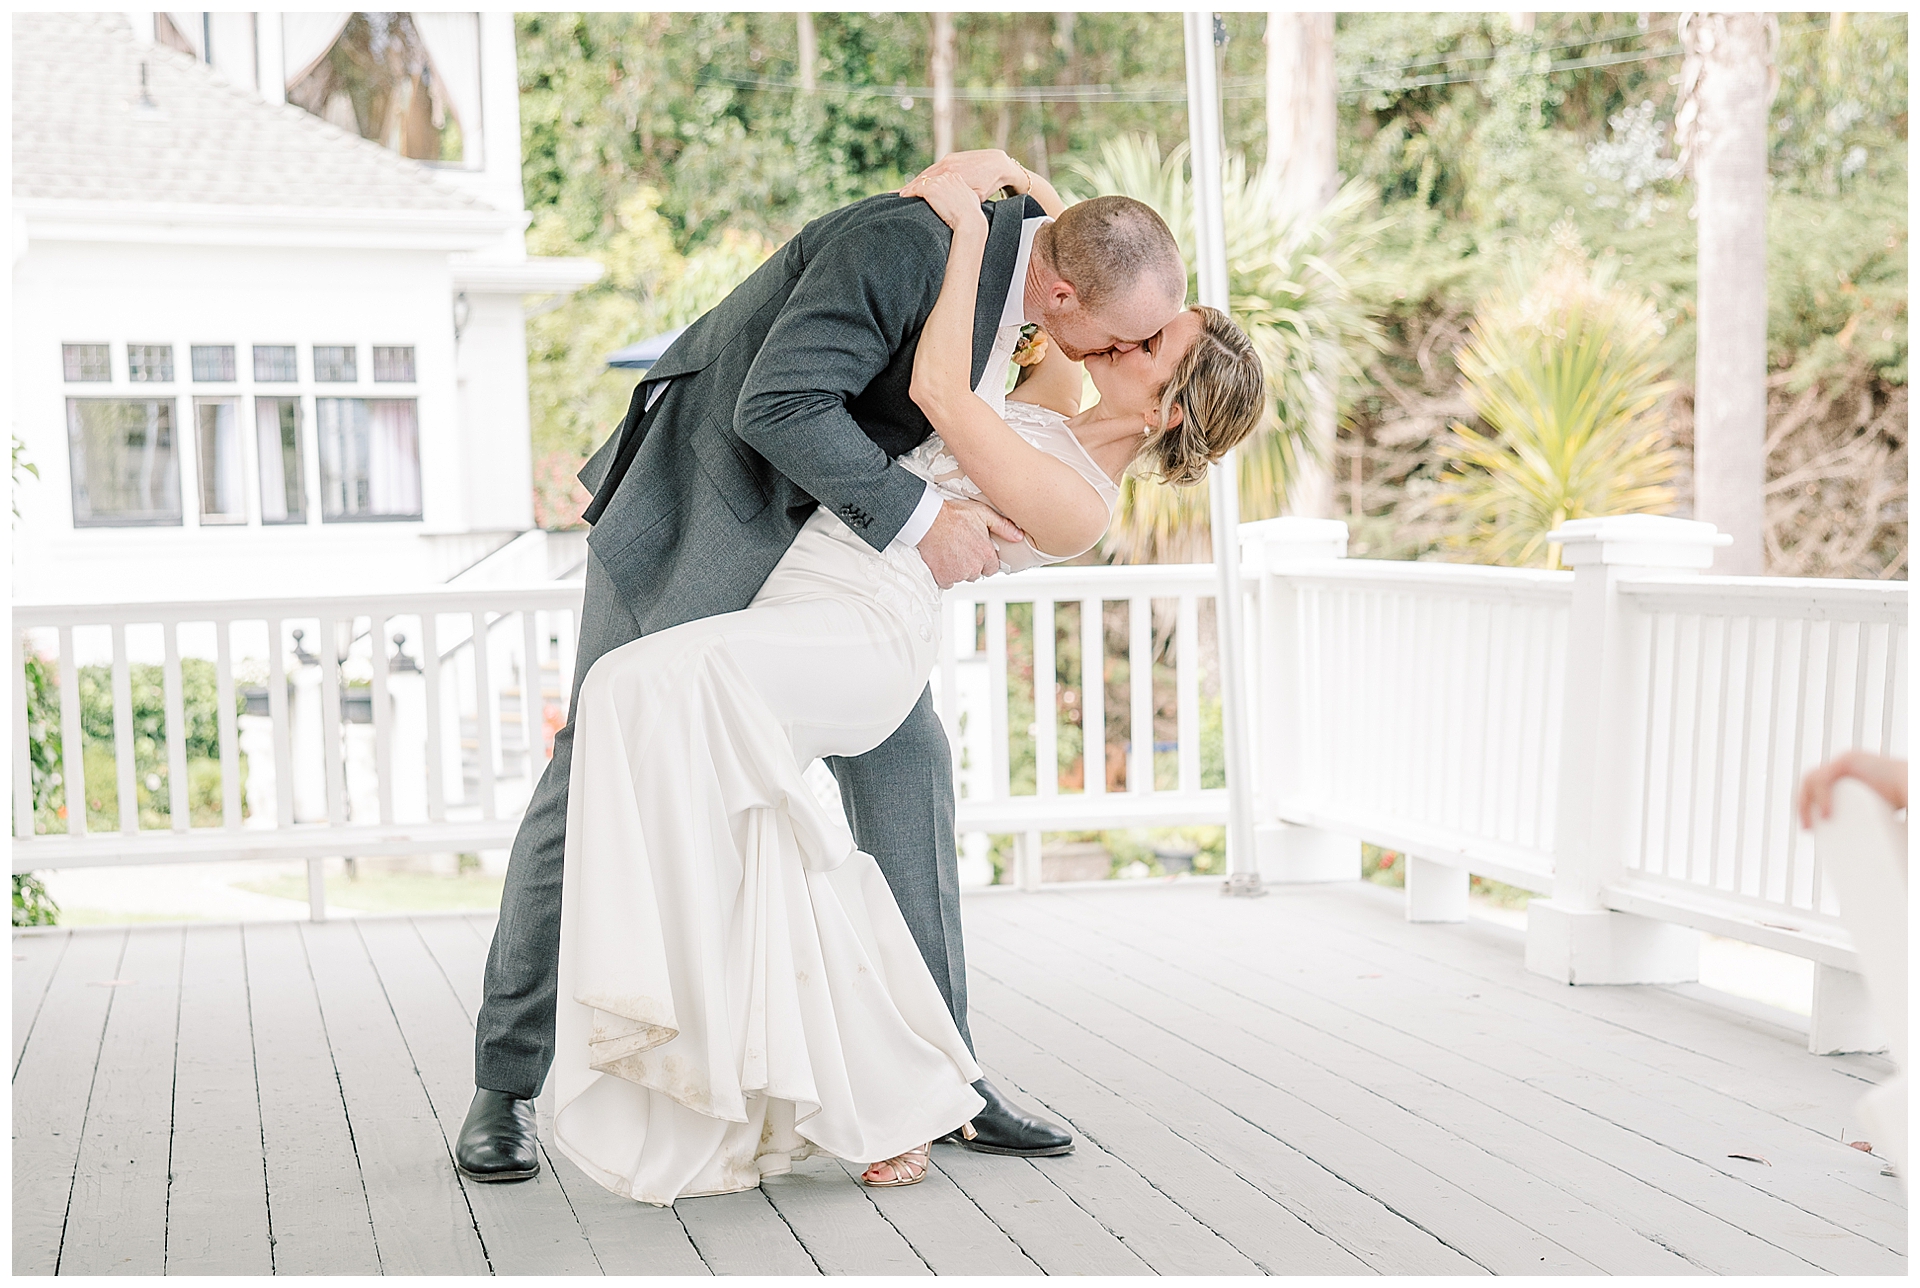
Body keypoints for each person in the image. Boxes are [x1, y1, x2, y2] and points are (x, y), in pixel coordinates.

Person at [455, 151, 1191, 1183]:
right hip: (707, 515)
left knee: (909, 765)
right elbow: (781, 407)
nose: (1135, 353)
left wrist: (1033, 198)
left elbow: (1065, 276)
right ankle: (506, 1081)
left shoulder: (1028, 271)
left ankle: (945, 1082)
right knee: (591, 767)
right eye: (1132, 335)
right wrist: (925, 521)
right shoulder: (905, 243)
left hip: (838, 565)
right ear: (1064, 291)